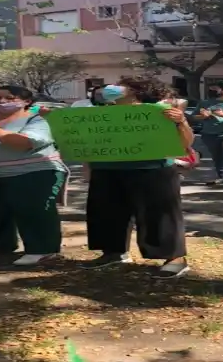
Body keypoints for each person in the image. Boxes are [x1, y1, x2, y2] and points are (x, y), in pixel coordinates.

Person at [82, 77, 194, 279]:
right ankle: (113, 253)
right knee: (107, 212)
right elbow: (89, 143)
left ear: (135, 91)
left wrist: (181, 122)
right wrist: (88, 167)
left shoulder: (159, 111)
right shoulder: (100, 113)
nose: (112, 88)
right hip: (106, 169)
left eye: (120, 85)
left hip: (152, 169)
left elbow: (184, 143)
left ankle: (175, 258)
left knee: (159, 215)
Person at [0, 86, 67, 265]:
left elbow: (24, 143)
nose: (2, 101)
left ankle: (42, 248)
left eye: (10, 98)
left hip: (30, 172)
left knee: (32, 210)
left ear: (27, 101)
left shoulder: (37, 120)